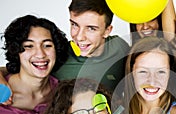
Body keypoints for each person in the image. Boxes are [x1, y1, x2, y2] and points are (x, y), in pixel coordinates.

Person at [0, 0, 130, 99]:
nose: (79, 36)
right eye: (75, 25)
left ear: (107, 31)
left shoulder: (119, 46)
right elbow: (14, 68)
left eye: (91, 28)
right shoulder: (58, 53)